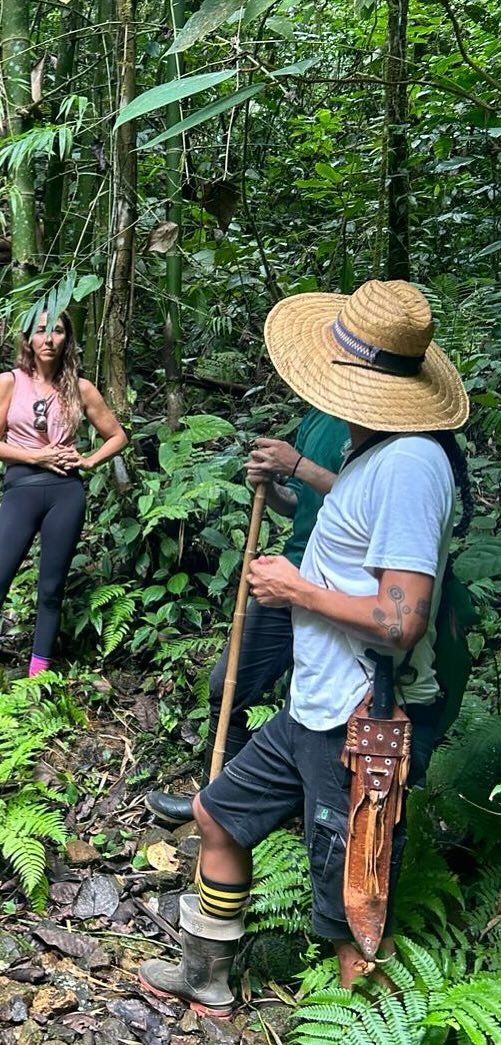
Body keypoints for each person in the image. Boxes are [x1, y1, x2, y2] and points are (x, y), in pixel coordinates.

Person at [138, 279, 472, 1013]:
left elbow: (400, 618)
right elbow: (358, 525)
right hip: (315, 706)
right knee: (218, 815)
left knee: (350, 912)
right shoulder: (377, 451)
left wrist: (295, 590)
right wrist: (298, 476)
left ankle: (358, 1025)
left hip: (360, 721)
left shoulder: (412, 466)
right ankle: (205, 975)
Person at [144, 409, 348, 824]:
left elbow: (369, 499)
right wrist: (270, 487)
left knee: (313, 705)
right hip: (291, 573)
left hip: (343, 585)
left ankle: (308, 815)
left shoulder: (379, 423)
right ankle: (214, 803)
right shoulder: (314, 418)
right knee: (230, 685)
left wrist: (297, 466)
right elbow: (301, 506)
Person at [0, 310, 126, 710]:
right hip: (21, 489)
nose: (49, 339)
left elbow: (117, 435)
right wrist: (36, 455)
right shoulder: (9, 382)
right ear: (28, 338)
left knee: (51, 590)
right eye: (41, 331)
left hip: (65, 491)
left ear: (68, 339)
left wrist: (89, 461)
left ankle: (37, 679)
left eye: (59, 331)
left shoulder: (80, 388)